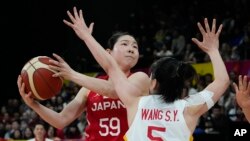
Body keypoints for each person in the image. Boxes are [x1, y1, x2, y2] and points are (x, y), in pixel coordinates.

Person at [58, 7, 229, 140]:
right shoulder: (189, 109)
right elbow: (222, 81)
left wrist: (87, 37)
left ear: (152, 83)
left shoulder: (136, 103)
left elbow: (110, 67)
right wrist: (213, 51)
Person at [17, 8, 146, 141]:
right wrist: (33, 104)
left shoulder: (141, 79)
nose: (131, 49)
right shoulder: (89, 88)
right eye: (125, 44)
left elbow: (115, 90)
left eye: (135, 47)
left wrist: (72, 74)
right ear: (108, 53)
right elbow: (61, 120)